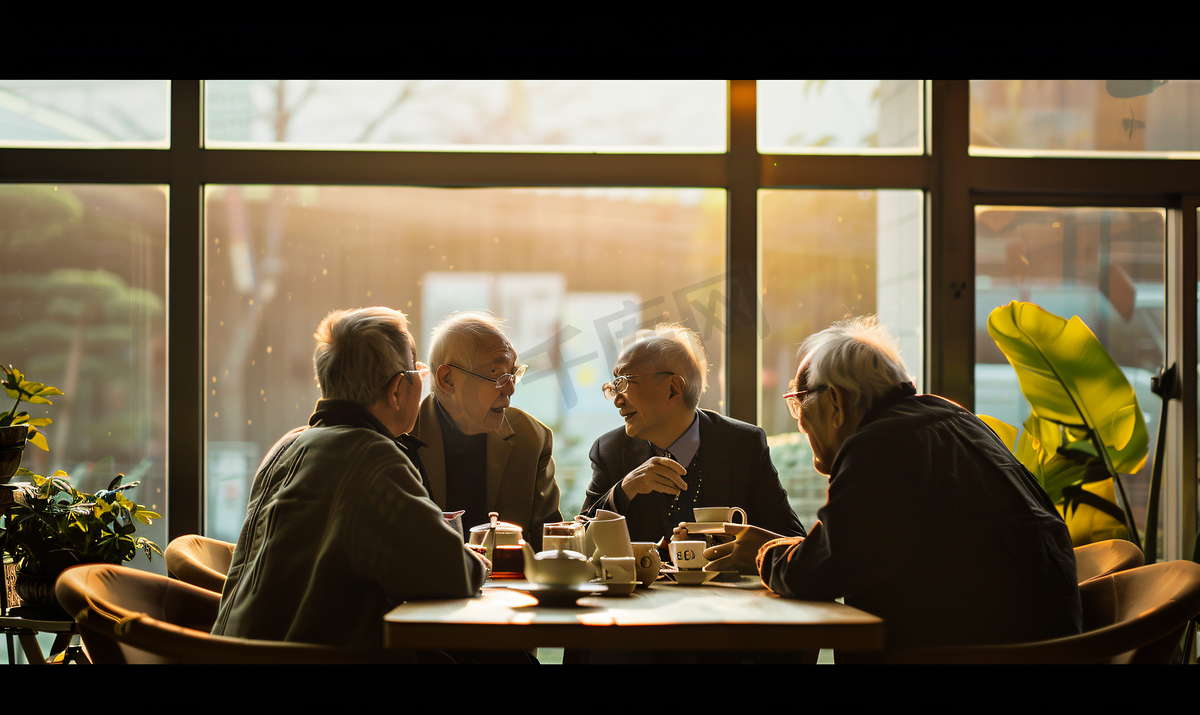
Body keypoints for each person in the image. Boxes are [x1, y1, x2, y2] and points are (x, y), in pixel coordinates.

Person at [706, 316, 1082, 662]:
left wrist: (761, 553)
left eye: (800, 403)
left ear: (836, 400)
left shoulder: (879, 446)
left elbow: (820, 573)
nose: (800, 418)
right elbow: (855, 549)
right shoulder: (958, 420)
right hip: (1044, 649)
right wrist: (791, 550)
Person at [212, 307, 488, 652]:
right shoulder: (372, 457)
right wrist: (480, 561)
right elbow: (451, 574)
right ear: (398, 389)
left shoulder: (288, 445)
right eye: (418, 373)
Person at [581, 323, 804, 549]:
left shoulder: (743, 444)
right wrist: (624, 490)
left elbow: (792, 540)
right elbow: (579, 545)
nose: (617, 399)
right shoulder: (610, 450)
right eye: (615, 385)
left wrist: (734, 545)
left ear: (673, 389)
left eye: (625, 382)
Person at [409, 311, 561, 550]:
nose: (510, 389)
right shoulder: (402, 437)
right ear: (448, 379)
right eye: (497, 374)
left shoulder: (530, 438)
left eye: (512, 374)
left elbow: (549, 545)